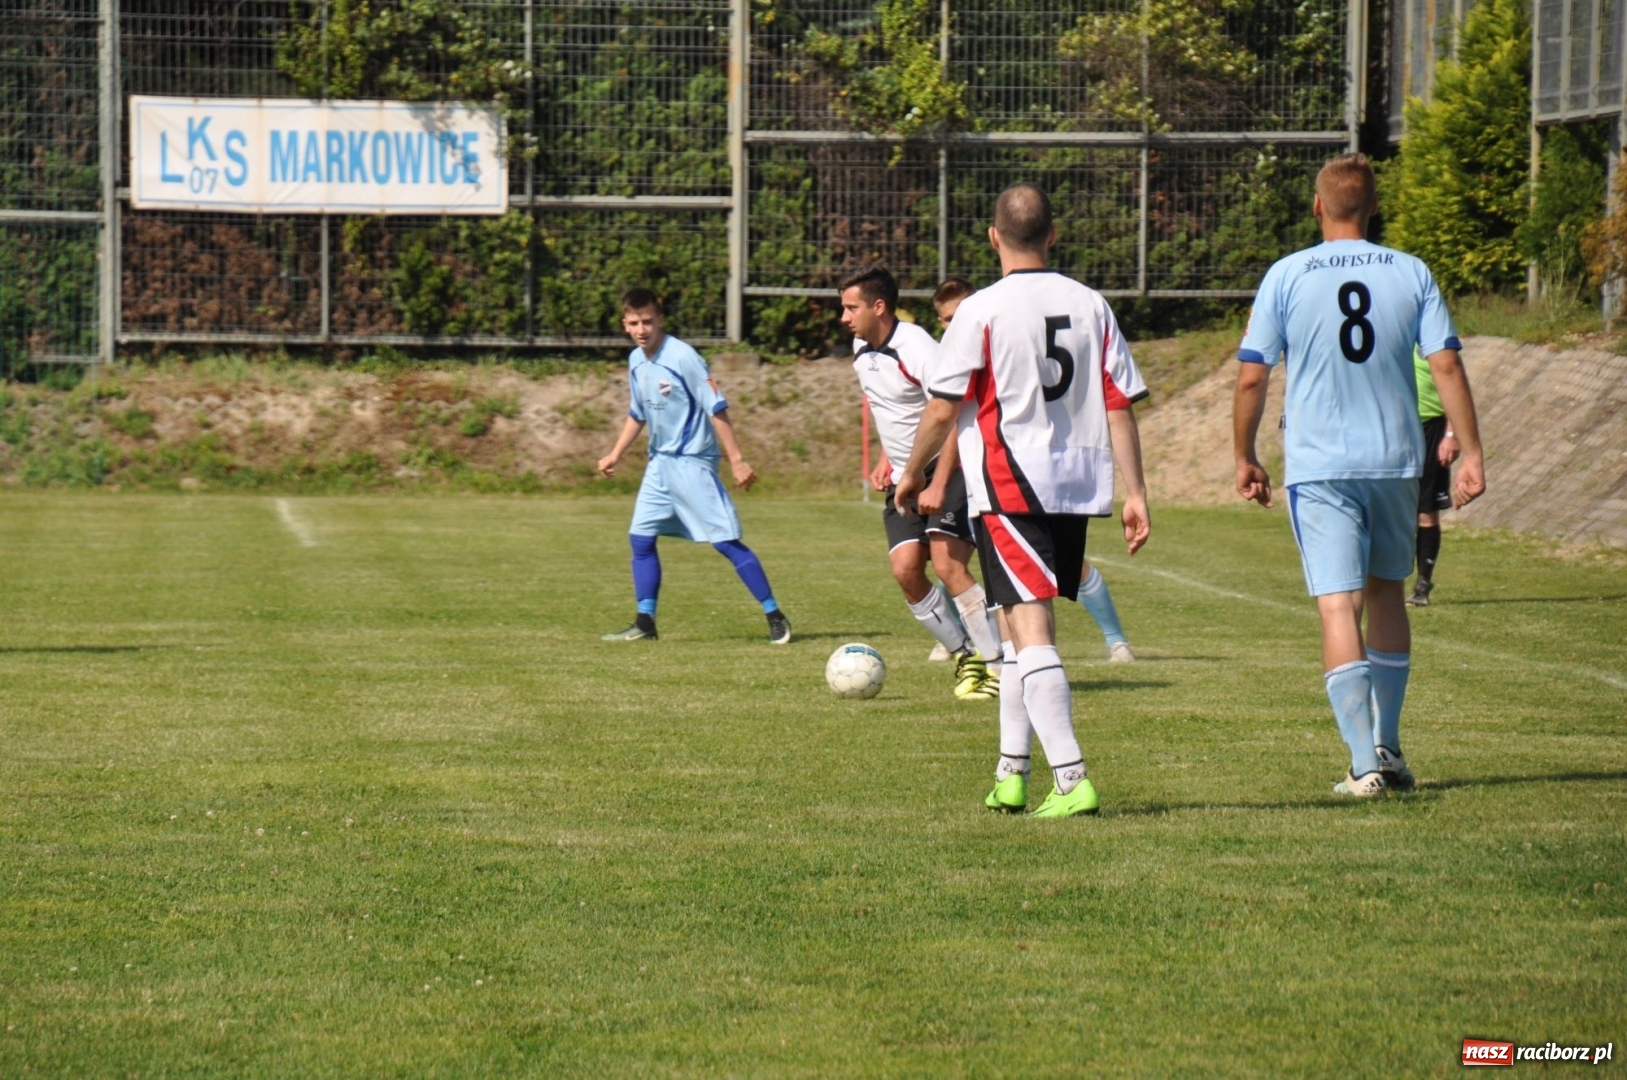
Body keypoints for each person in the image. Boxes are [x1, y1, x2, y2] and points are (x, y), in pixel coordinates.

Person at [1232, 152, 1485, 797]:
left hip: (1321, 464)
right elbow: (1446, 365)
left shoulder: (1287, 274)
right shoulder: (1411, 271)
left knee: (1336, 605)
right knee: (1385, 594)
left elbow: (1253, 376)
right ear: (1373, 208)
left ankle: (1361, 765)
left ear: (1318, 206)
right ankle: (1388, 747)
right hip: (1396, 458)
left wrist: (1245, 454)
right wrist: (1473, 451)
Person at [896, 184, 1152, 818]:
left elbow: (942, 407)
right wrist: (1137, 492)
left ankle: (1071, 780)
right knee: (1015, 627)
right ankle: (1011, 773)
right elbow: (1118, 402)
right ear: (1053, 235)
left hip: (1011, 484)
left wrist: (911, 472)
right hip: (1076, 485)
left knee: (1029, 629)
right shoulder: (1091, 304)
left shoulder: (982, 309)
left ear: (993, 237)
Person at [935, 277, 1137, 664]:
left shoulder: (990, 330)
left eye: (957, 314)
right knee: (955, 560)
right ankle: (974, 642)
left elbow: (946, 413)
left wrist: (927, 477)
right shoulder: (1082, 304)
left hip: (1004, 472)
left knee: (1039, 579)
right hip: (1007, 470)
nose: (953, 323)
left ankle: (1103, 644)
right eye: (945, 319)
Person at [840, 266, 1002, 701]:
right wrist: (887, 458)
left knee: (948, 565)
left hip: (949, 467)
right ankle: (964, 655)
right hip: (905, 475)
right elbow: (891, 408)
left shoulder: (918, 349)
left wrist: (937, 482)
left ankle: (998, 666)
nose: (844, 317)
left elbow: (951, 414)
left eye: (851, 307)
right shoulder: (860, 348)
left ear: (879, 307)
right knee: (906, 570)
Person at [597, 288, 792, 645]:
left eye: (648, 322)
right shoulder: (636, 360)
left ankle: (775, 615)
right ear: (624, 324)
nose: (641, 330)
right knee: (640, 538)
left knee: (725, 542)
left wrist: (737, 460)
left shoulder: (684, 357)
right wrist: (615, 453)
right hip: (659, 464)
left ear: (661, 320)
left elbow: (716, 407)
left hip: (692, 462)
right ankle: (645, 622)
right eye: (634, 323)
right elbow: (637, 413)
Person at [1408, 346, 1460, 606]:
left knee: (1426, 511)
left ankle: (1423, 584)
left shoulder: (1431, 341)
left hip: (1431, 428)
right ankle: (1385, 580)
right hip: (1393, 429)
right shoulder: (1388, 334)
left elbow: (1453, 385)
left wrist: (1451, 435)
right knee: (1390, 510)